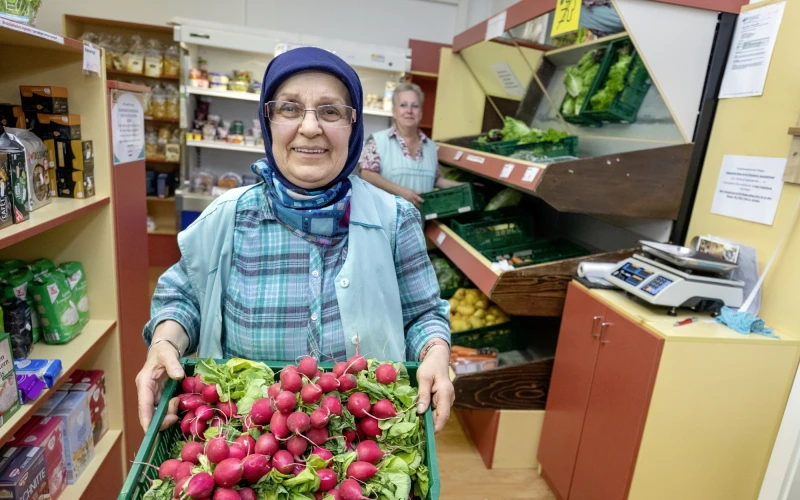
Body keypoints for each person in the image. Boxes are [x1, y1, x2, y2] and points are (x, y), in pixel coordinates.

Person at [136, 48, 454, 434]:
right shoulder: (229, 216)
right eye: (289, 108)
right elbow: (183, 296)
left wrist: (436, 352)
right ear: (267, 121)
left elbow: (423, 314)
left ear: (354, 125)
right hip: (247, 440)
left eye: (330, 111)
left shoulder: (395, 219)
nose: (309, 127)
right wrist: (165, 343)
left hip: (367, 441)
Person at [359, 82, 461, 208]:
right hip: (384, 223)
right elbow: (367, 174)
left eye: (415, 106)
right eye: (403, 105)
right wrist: (401, 192)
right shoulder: (378, 141)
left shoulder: (430, 147)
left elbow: (435, 179)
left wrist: (461, 186)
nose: (409, 111)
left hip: (417, 224)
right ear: (394, 111)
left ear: (421, 113)